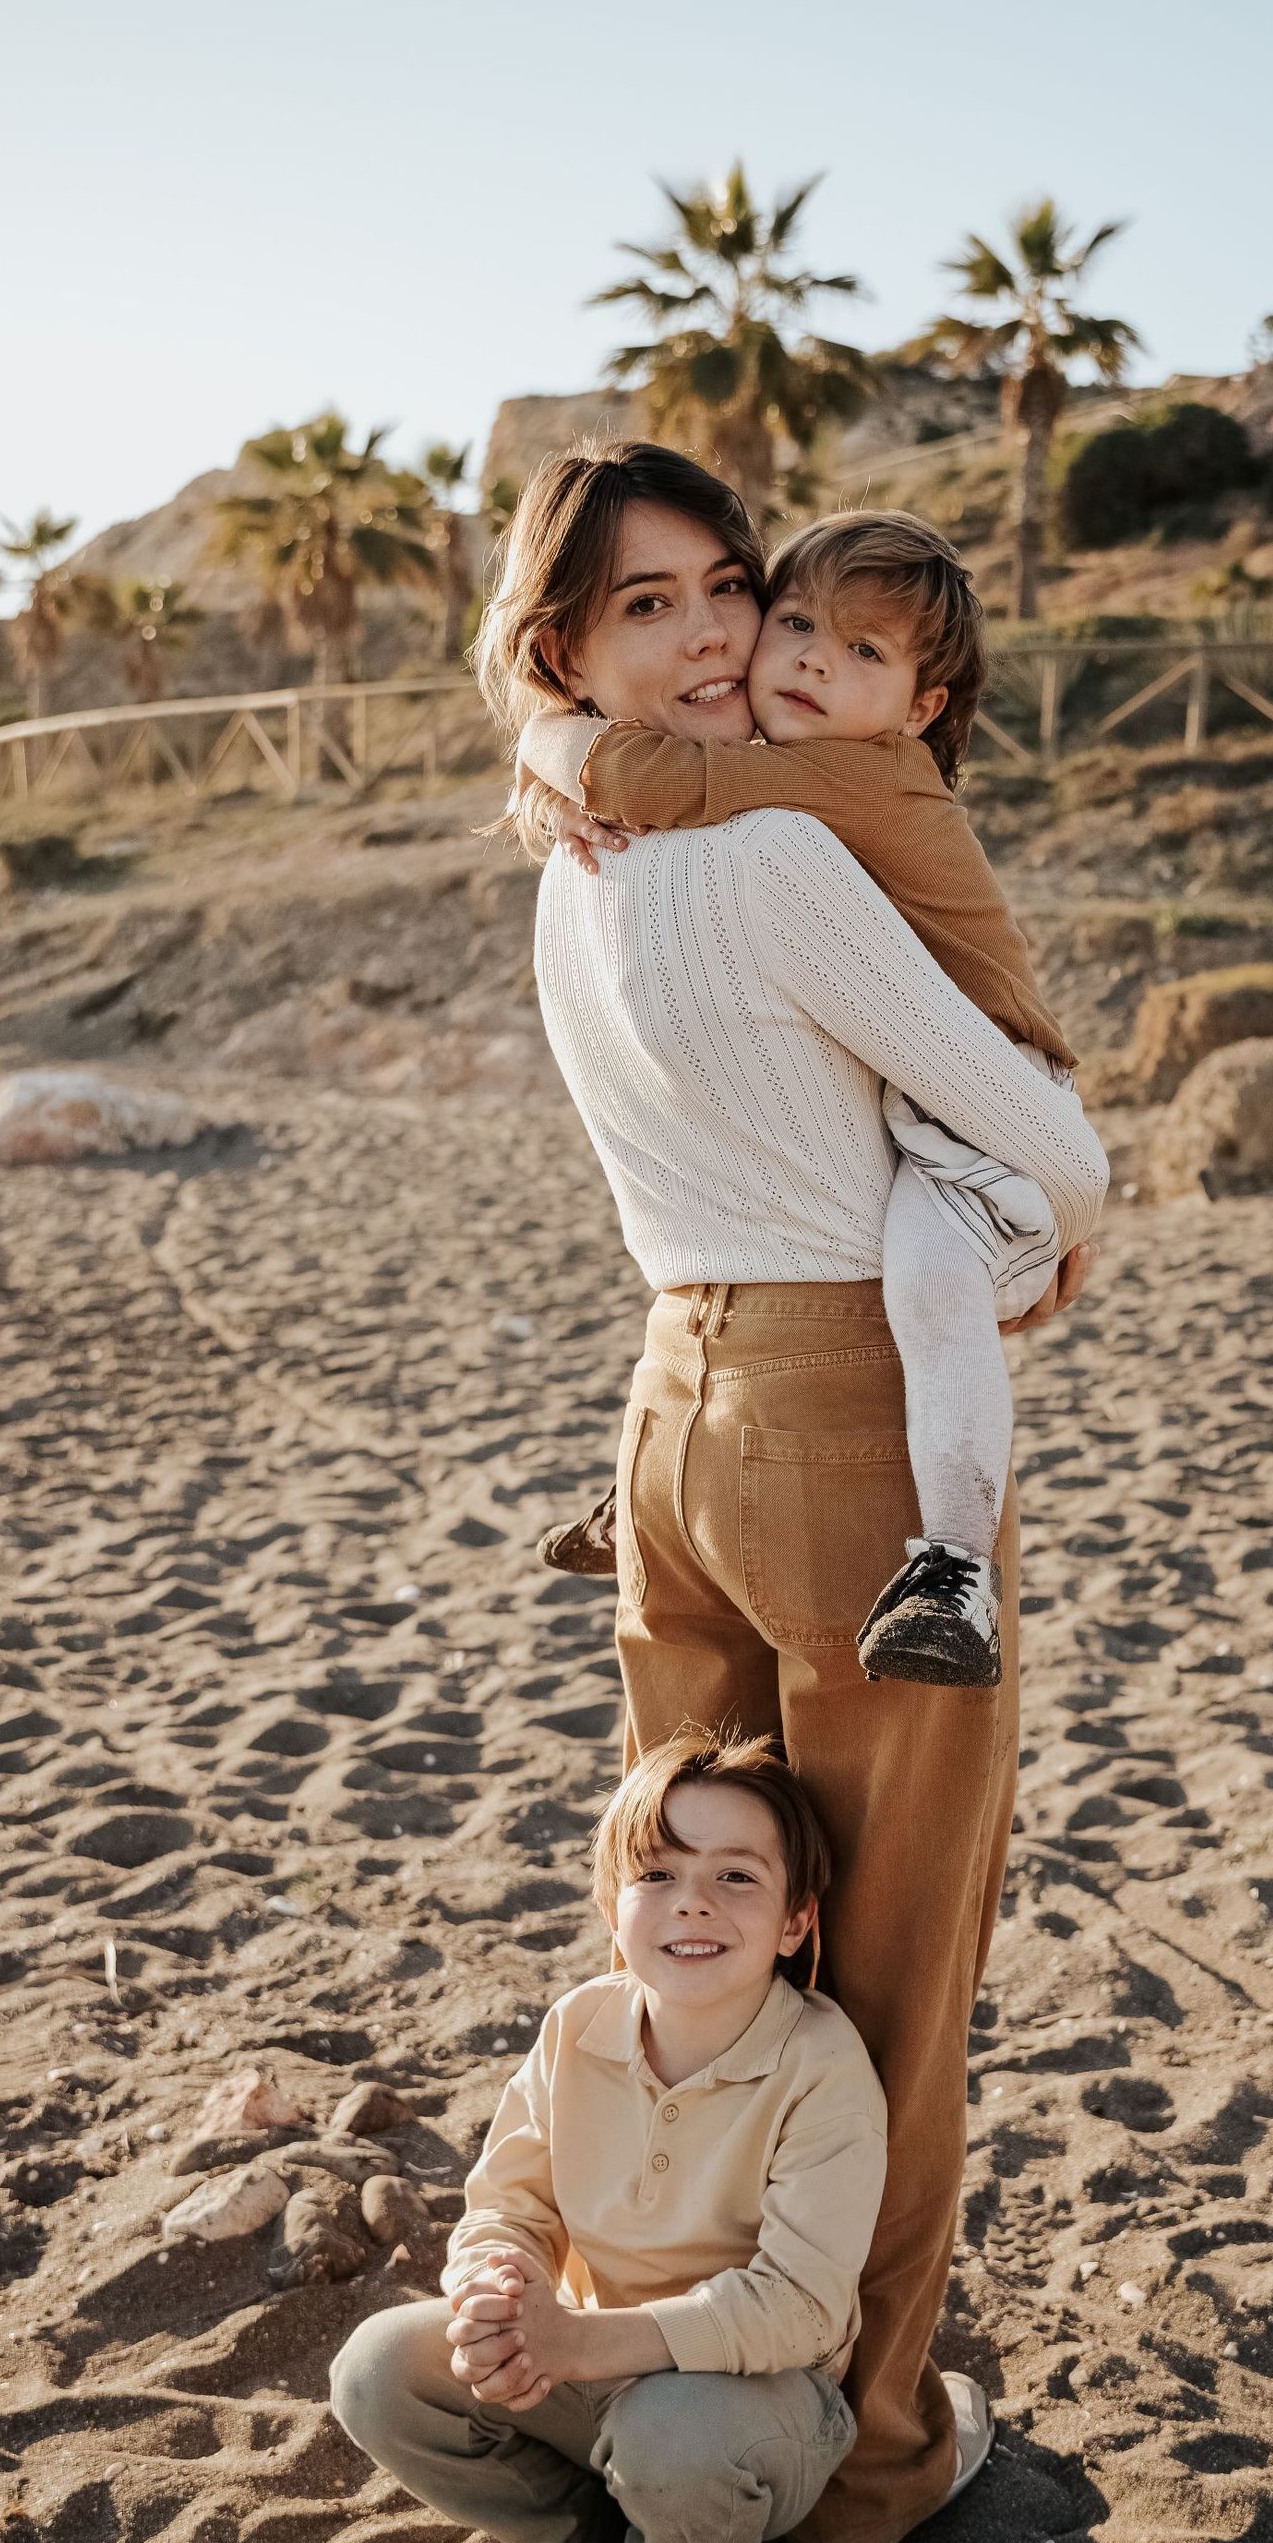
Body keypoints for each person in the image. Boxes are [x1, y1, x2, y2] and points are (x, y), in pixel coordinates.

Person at [471, 441, 1106, 2543]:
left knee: (695, 1948)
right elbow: (1051, 1137)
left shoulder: (570, 865)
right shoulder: (767, 857)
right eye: (650, 610)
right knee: (892, 1972)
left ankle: (648, 2360)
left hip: (667, 1415)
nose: (723, 637)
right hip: (848, 1420)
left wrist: (563, 728)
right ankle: (876, 2464)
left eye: (732, 587)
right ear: (564, 644)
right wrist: (1052, 1222)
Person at [519, 507, 1078, 1692]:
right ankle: (908, 1553)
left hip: (989, 1103)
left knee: (936, 1284)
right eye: (800, 623)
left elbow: (644, 773)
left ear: (923, 708)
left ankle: (948, 1562)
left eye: (866, 652)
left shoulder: (834, 786)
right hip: (864, 1260)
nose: (812, 658)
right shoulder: (766, 829)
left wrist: (547, 738)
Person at [330, 1729, 885, 2543]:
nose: (694, 1901)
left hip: (755, 2419)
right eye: (659, 1872)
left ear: (799, 1920)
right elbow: (511, 2198)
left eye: (736, 1876)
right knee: (380, 2371)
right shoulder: (578, 2028)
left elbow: (803, 2308)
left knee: (669, 2434)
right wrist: (499, 2285)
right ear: (609, 1908)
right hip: (594, 2374)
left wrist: (584, 2342)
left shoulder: (820, 2065)